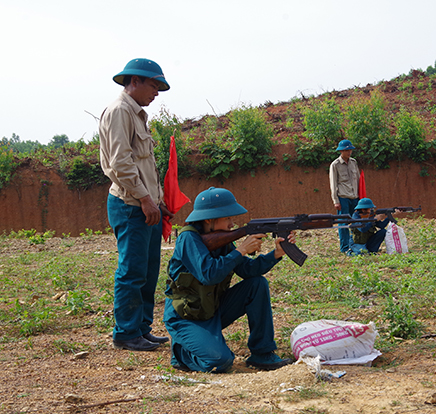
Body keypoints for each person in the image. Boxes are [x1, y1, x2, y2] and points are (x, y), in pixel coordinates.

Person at [163, 187, 295, 373]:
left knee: (257, 285)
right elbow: (208, 274)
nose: (232, 223)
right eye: (227, 218)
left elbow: (248, 270)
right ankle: (181, 353)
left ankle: (262, 354)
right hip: (185, 316)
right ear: (209, 219)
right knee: (220, 362)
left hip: (211, 310)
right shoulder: (188, 239)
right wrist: (240, 250)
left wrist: (275, 254)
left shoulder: (222, 241)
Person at [99, 58, 173, 352]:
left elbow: (143, 165)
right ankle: (126, 333)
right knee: (132, 271)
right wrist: (145, 199)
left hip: (145, 205)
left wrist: (157, 200)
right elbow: (120, 163)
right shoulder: (119, 111)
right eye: (154, 85)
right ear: (135, 81)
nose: (156, 92)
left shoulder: (136, 114)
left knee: (148, 270)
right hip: (131, 205)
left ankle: (141, 328)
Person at [329, 139, 360, 254]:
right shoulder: (335, 165)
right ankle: (345, 248)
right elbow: (333, 184)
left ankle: (355, 245)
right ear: (341, 151)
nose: (349, 152)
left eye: (350, 150)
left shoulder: (354, 162)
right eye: (347, 150)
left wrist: (360, 197)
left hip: (355, 197)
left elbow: (358, 180)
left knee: (357, 222)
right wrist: (335, 200)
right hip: (343, 198)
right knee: (343, 224)